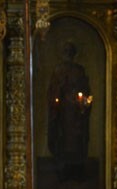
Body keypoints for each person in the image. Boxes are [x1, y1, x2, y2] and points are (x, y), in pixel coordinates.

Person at [46, 42, 92, 181]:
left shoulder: (79, 70)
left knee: (76, 141)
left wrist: (81, 102)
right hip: (62, 112)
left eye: (70, 51)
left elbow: (85, 90)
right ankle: (62, 170)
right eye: (66, 51)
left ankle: (76, 170)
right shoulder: (58, 70)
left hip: (76, 113)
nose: (68, 54)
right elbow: (53, 90)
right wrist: (59, 93)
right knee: (62, 139)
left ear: (73, 53)